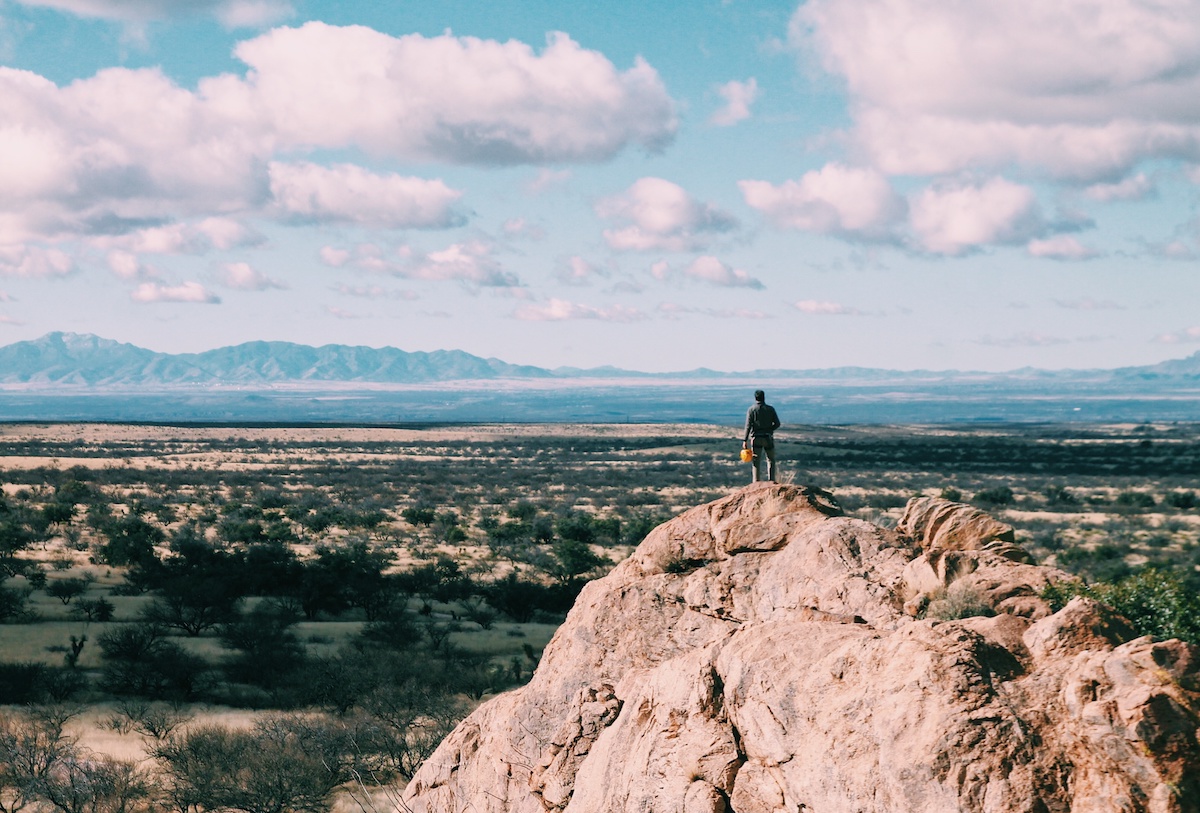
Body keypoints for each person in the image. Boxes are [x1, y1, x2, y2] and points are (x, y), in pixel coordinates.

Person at [743, 389, 781, 483]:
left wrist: (745, 440)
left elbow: (748, 426)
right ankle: (772, 480)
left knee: (756, 461)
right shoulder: (770, 409)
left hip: (756, 437)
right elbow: (777, 423)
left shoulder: (751, 410)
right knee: (771, 459)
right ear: (764, 397)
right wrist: (769, 430)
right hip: (768, 437)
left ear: (755, 398)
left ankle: (756, 481)